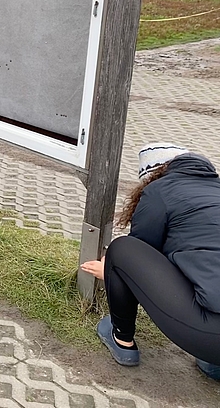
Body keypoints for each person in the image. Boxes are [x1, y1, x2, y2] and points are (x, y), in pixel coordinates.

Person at [81, 143, 220, 380]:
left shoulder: (160, 191)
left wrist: (111, 271)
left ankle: (122, 339)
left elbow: (142, 254)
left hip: (211, 334)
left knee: (122, 249)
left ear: (152, 175)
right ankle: (213, 362)